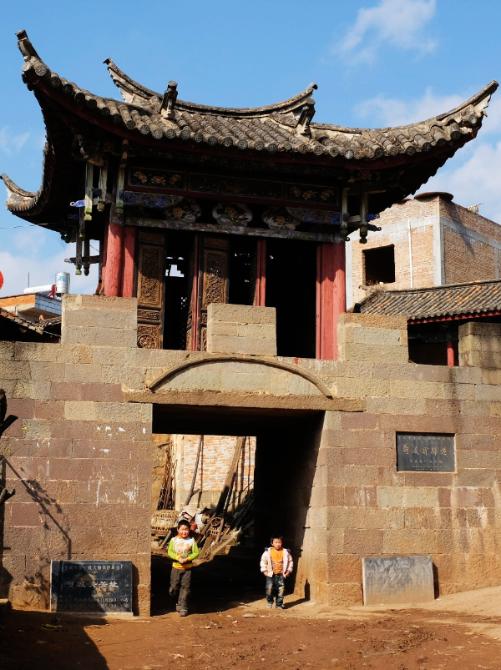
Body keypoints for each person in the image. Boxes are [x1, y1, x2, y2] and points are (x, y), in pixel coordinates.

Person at [168, 519, 200, 617]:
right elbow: (170, 552)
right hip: (176, 568)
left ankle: (183, 605)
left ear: (189, 530)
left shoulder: (191, 541)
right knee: (174, 588)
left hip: (187, 569)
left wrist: (188, 559)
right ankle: (177, 600)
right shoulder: (173, 540)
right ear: (178, 529)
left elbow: (196, 553)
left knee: (185, 587)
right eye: (182, 529)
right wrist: (178, 558)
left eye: (186, 529)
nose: (184, 532)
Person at [260, 535, 293, 610]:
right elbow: (263, 561)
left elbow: (290, 562)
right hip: (270, 575)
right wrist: (264, 571)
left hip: (281, 575)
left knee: (281, 590)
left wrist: (288, 571)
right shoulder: (267, 552)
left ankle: (279, 604)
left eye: (279, 542)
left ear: (282, 543)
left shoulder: (286, 552)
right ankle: (270, 601)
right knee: (269, 588)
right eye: (276, 542)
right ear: (272, 543)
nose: (278, 544)